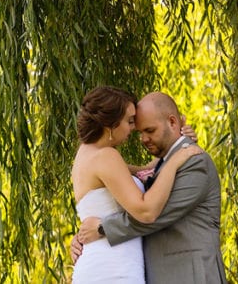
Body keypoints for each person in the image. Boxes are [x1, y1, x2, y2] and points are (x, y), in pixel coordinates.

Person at [73, 92, 227, 284]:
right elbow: (144, 204)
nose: (141, 138)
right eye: (134, 126)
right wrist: (89, 233)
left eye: (149, 130)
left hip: (189, 275)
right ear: (110, 125)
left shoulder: (194, 162)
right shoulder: (106, 157)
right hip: (119, 268)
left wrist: (103, 228)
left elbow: (155, 214)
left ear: (172, 122)